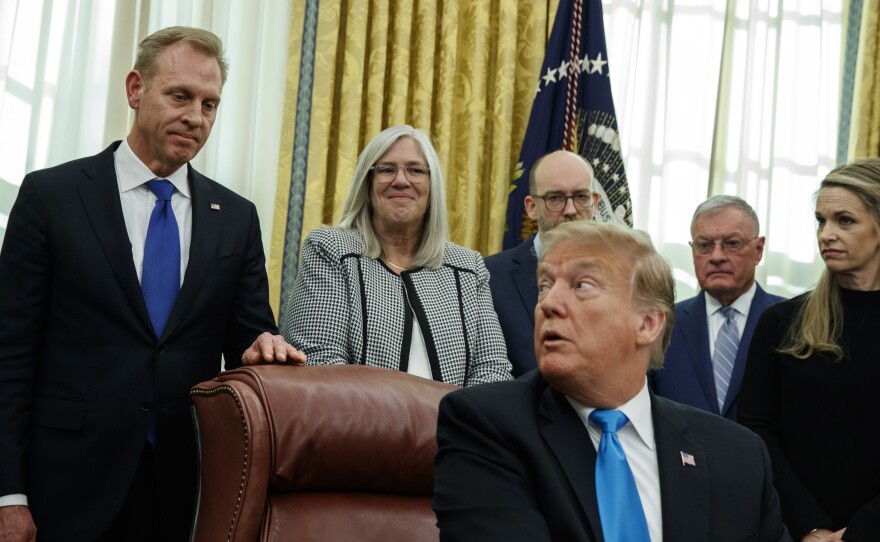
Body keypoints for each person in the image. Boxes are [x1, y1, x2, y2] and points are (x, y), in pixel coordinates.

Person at [0, 27, 305, 542]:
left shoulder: (235, 217)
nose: (196, 116)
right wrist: (9, 495)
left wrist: (267, 347)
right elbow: (10, 356)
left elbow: (249, 341)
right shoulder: (52, 196)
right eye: (180, 95)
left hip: (182, 491)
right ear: (136, 89)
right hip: (62, 487)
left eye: (210, 104)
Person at [433, 220, 790, 541]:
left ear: (648, 323)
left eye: (582, 284)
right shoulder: (487, 424)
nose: (548, 304)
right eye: (545, 285)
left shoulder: (737, 453)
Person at [282, 125, 511, 386]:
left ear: (432, 185)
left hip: (455, 425)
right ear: (367, 184)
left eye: (415, 170)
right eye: (387, 169)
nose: (401, 180)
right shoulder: (330, 249)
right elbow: (318, 362)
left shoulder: (468, 268)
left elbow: (493, 371)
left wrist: (455, 423)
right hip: (356, 424)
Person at [739, 159, 880, 542]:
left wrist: (862, 530)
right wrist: (811, 527)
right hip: (791, 530)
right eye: (821, 220)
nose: (827, 234)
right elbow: (756, 430)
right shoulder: (781, 321)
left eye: (845, 221)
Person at [652, 195, 783, 420]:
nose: (717, 256)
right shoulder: (662, 324)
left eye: (732, 243)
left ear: (759, 250)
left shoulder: (792, 321)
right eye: (704, 245)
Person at [484, 150, 597, 376]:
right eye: (555, 198)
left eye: (581, 197)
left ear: (594, 203)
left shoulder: (619, 275)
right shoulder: (489, 277)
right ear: (531, 207)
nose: (571, 210)